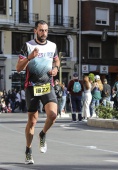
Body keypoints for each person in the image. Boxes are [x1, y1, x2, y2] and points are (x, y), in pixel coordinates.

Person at [16, 20, 60, 164]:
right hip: (31, 87)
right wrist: (30, 57)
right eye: (41, 30)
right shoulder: (28, 46)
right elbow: (18, 68)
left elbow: (56, 60)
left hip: (47, 85)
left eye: (46, 30)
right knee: (32, 121)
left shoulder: (52, 45)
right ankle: (28, 150)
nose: (44, 33)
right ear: (35, 31)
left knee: (53, 115)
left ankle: (43, 134)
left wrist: (56, 69)